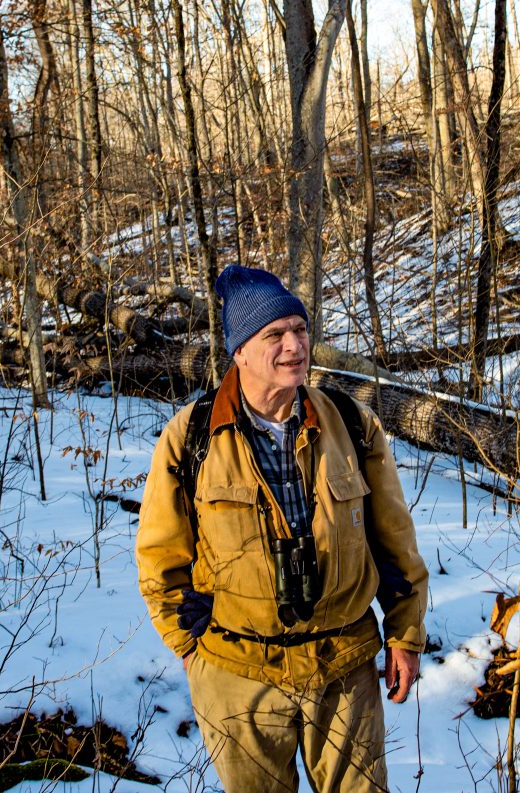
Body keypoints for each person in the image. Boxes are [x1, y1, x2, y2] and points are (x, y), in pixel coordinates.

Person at [136, 265, 428, 793]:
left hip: (344, 667)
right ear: (240, 351)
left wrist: (404, 635)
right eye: (275, 334)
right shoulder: (191, 437)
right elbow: (160, 557)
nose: (294, 345)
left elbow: (395, 543)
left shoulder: (351, 423)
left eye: (300, 329)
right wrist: (191, 649)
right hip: (238, 674)